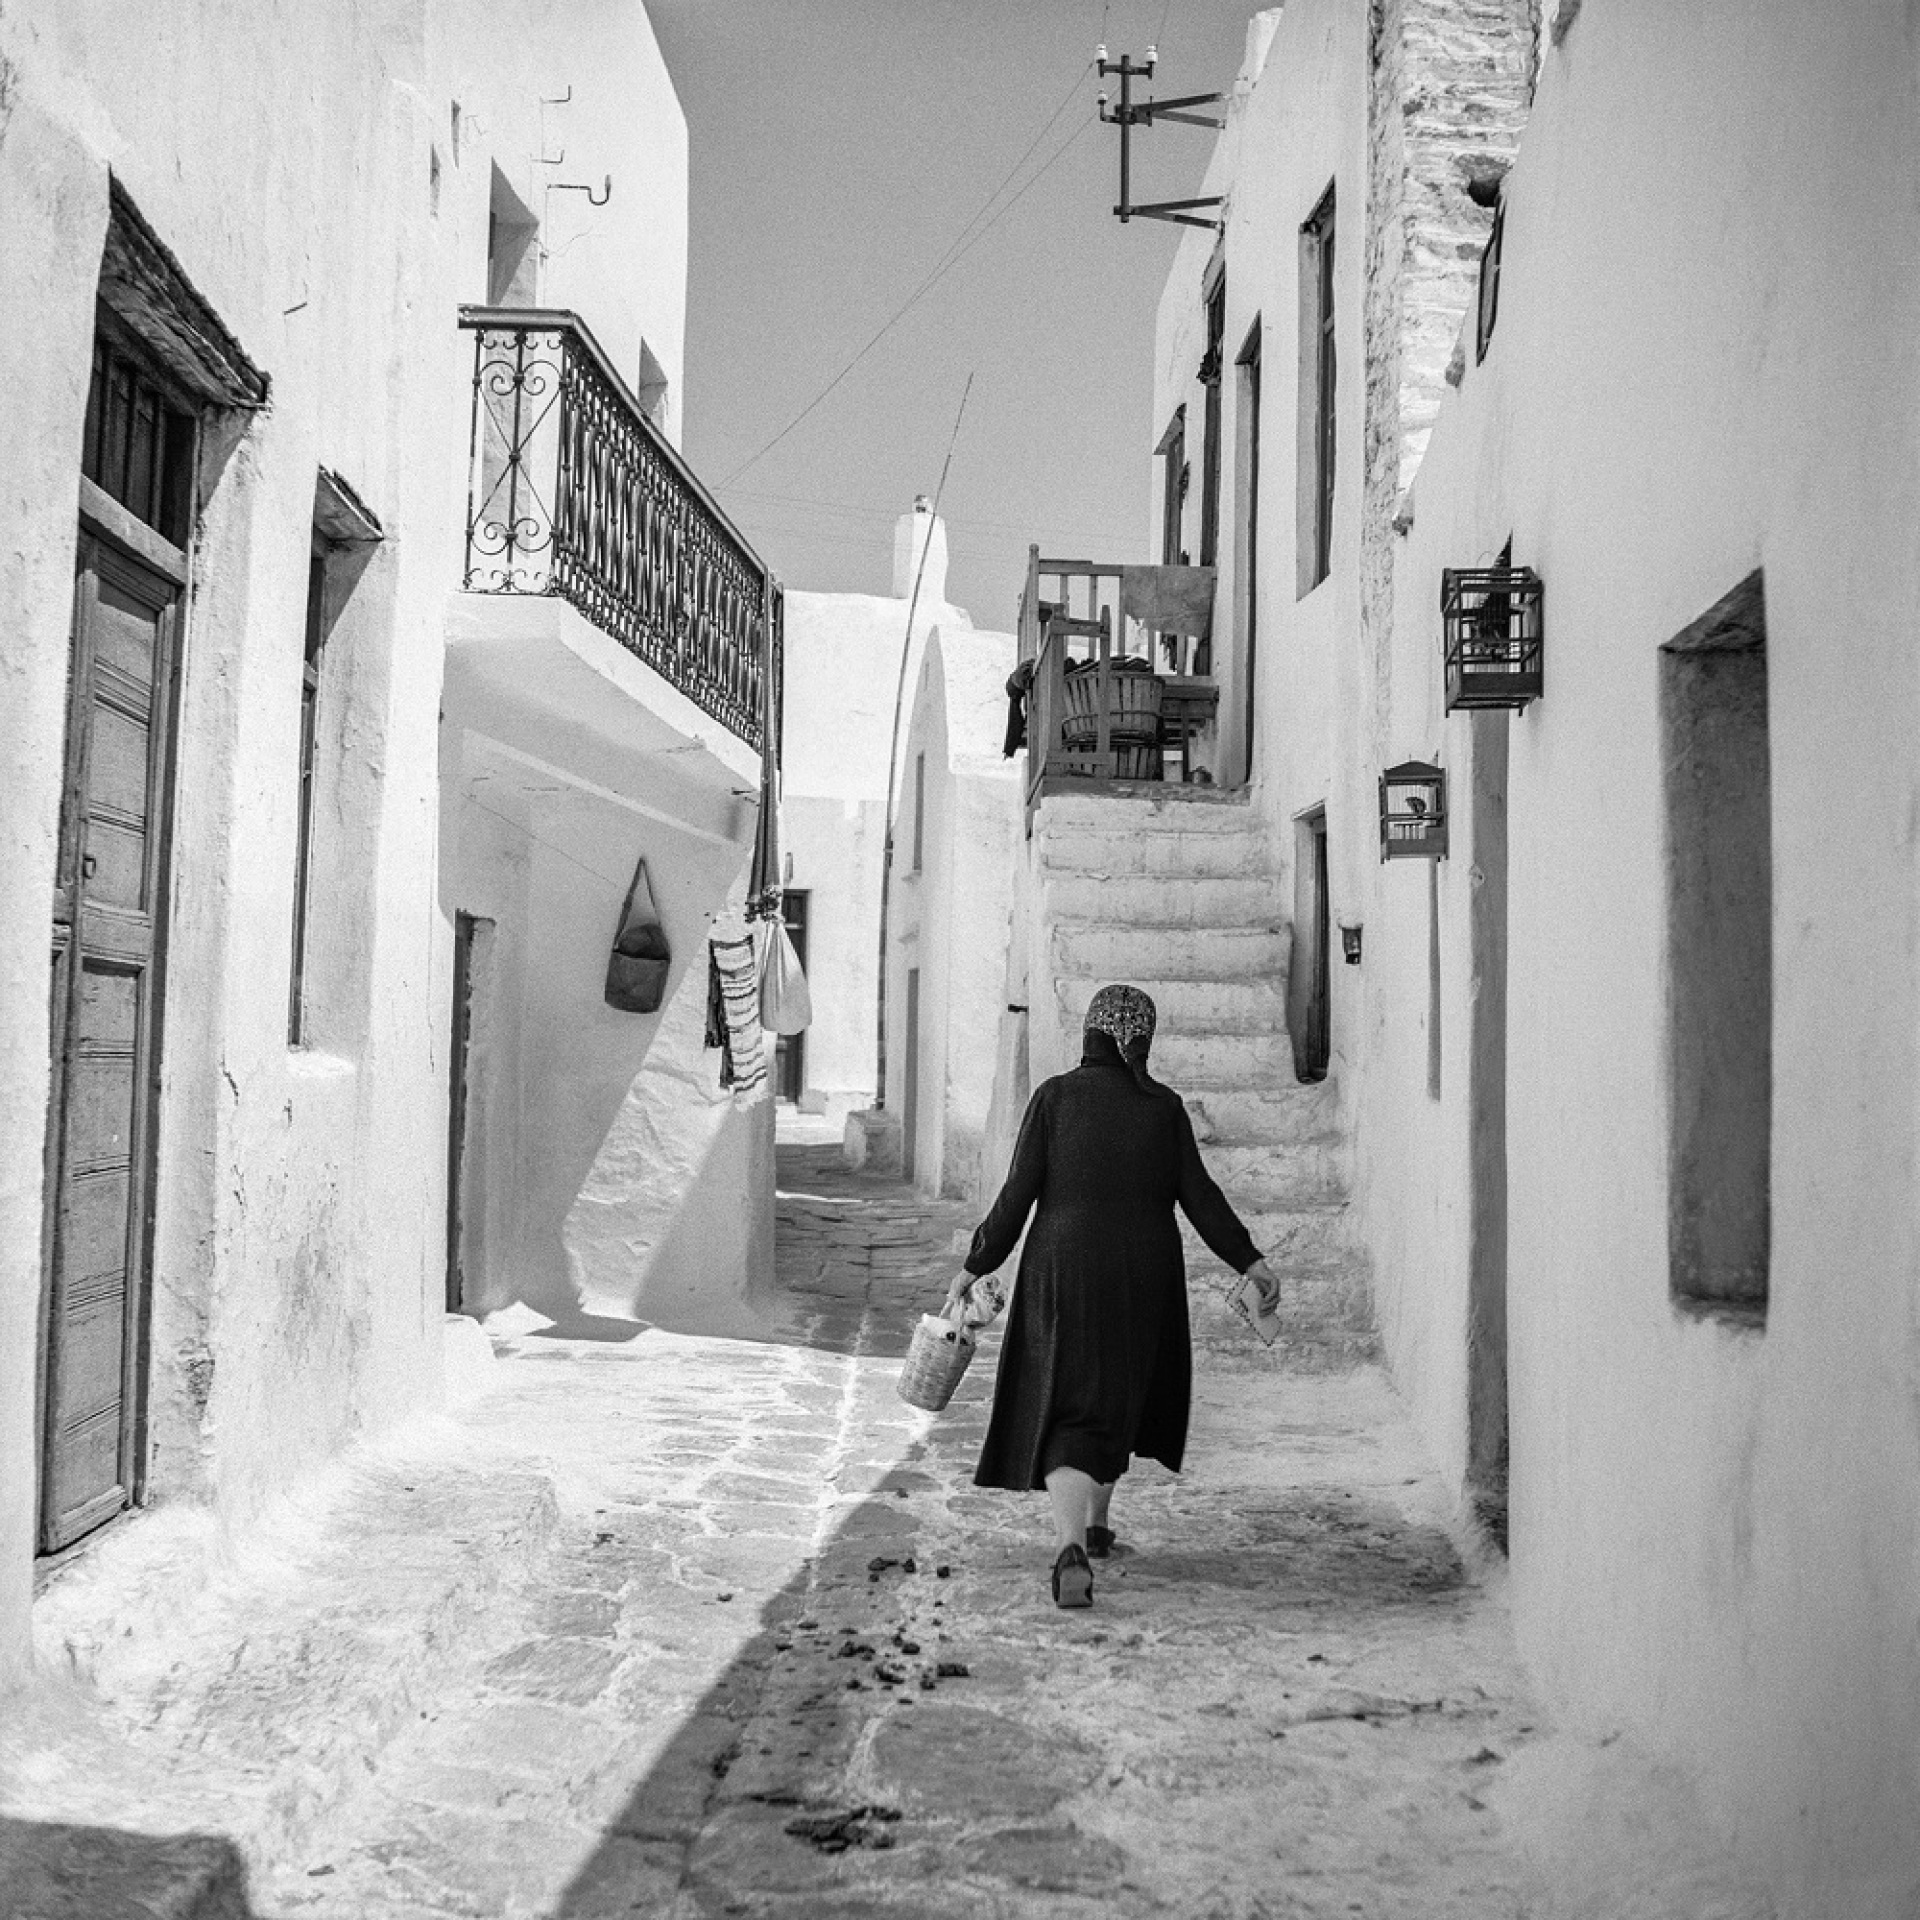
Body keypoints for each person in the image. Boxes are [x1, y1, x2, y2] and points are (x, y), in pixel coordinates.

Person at [945, 983, 1282, 1609]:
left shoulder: (1055, 1097)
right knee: (1117, 1394)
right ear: (1145, 1039)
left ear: (1090, 1033)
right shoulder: (1163, 1108)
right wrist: (1250, 1260)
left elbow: (1017, 1195)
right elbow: (1201, 1198)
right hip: (1143, 1273)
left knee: (1071, 1403)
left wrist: (977, 1262)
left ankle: (1074, 1542)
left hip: (1062, 1269)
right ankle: (1096, 1529)